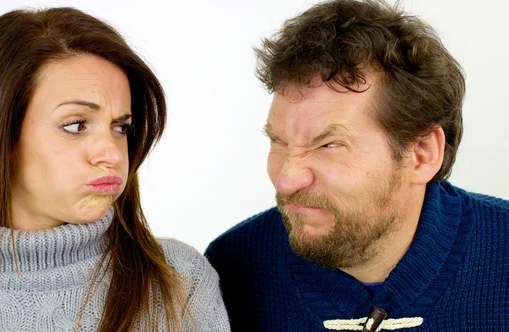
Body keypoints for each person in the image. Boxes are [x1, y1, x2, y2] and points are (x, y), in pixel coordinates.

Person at [0, 7, 229, 332]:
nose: (112, 154)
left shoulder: (179, 279)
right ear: (2, 135)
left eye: (120, 128)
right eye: (76, 125)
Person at [205, 0, 509, 331]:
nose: (287, 180)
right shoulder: (230, 267)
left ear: (421, 153)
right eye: (279, 141)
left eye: (329, 144)